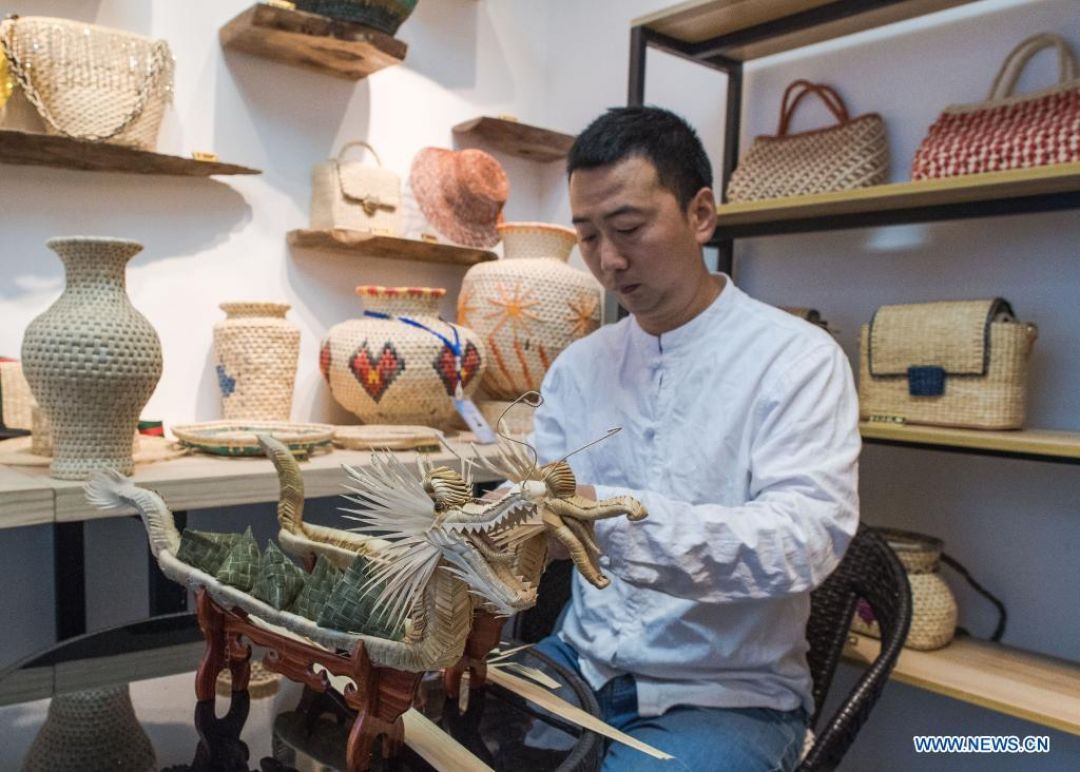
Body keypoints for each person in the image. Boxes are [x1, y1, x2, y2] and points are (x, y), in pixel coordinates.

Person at [529, 106, 861, 771]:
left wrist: (609, 520)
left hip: (722, 692)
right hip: (579, 664)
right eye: (588, 235)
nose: (608, 260)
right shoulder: (579, 367)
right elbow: (542, 517)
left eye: (627, 227)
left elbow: (805, 539)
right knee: (405, 723)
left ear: (701, 214)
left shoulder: (796, 360)